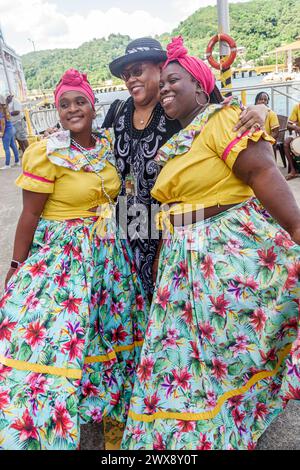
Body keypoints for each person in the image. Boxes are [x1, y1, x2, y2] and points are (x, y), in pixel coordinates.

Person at [121, 36, 300, 450]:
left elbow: (262, 174)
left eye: (172, 80)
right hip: (169, 250)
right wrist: (158, 257)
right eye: (157, 82)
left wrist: (295, 229)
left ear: (201, 87)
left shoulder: (220, 119)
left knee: (224, 345)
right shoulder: (151, 126)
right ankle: (193, 431)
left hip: (218, 246)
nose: (162, 87)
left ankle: (222, 422)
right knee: (184, 357)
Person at [0, 69, 147, 450]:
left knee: (108, 330)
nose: (72, 109)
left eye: (79, 101)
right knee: (59, 336)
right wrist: (16, 266)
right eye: (64, 104)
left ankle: (112, 416)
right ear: (58, 112)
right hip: (64, 259)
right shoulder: (46, 152)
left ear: (93, 105)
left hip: (109, 255)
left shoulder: (107, 146)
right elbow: (29, 215)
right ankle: (52, 426)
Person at [104, 37, 269, 298]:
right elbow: (99, 148)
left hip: (168, 216)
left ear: (160, 68)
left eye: (138, 71)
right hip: (129, 213)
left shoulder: (173, 106)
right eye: (126, 75)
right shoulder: (118, 110)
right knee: (133, 286)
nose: (131, 79)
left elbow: (217, 109)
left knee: (167, 288)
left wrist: (260, 109)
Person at [0, 94, 20, 169]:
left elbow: (3, 124)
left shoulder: (1, 112)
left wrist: (2, 133)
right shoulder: (6, 110)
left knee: (6, 148)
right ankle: (17, 161)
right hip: (11, 129)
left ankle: (7, 164)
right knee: (13, 146)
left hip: (7, 131)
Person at [284, 102, 300, 180]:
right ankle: (293, 171)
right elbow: (288, 124)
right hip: (298, 133)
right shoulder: (297, 106)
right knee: (286, 143)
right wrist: (296, 128)